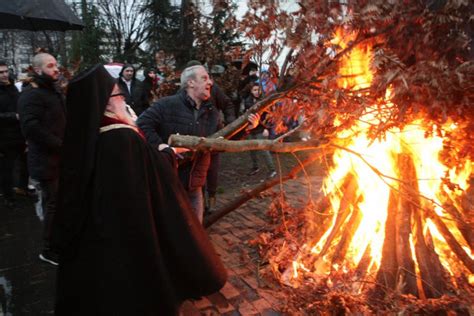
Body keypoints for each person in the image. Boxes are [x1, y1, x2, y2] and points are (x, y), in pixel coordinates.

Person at [52, 64, 227, 315]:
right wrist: (167, 155)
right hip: (130, 227)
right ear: (105, 102)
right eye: (117, 95)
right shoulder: (121, 136)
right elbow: (146, 173)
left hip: (102, 228)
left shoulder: (93, 134)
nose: (123, 98)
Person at [137, 65, 259, 223]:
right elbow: (141, 124)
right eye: (204, 78)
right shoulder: (166, 105)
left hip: (196, 186)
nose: (210, 82)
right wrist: (162, 147)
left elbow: (220, 144)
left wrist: (247, 129)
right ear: (190, 83)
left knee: (195, 233)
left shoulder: (212, 113)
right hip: (168, 186)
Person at [18, 53, 66, 266]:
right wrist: (59, 144)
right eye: (50, 66)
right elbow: (30, 127)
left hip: (59, 159)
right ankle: (48, 250)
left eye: (56, 65)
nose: (56, 69)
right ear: (38, 70)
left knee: (58, 204)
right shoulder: (31, 95)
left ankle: (59, 242)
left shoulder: (53, 92)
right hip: (45, 163)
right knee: (52, 206)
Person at [0, 60, 25, 208]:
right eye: (1, 73)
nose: (4, 75)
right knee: (6, 169)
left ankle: (22, 188)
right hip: (4, 137)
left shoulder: (13, 88)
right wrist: (13, 116)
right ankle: (8, 196)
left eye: (5, 71)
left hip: (19, 133)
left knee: (24, 164)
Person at [243, 82, 276, 177]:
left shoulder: (265, 101)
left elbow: (269, 117)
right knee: (252, 150)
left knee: (264, 150)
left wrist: (267, 128)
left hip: (261, 129)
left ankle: (272, 170)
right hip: (251, 129)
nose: (257, 92)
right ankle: (255, 167)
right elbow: (246, 115)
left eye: (258, 89)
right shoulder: (248, 101)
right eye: (255, 90)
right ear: (251, 91)